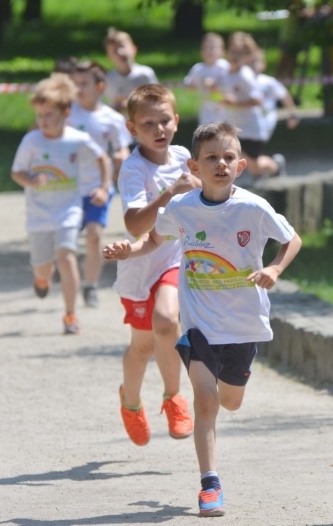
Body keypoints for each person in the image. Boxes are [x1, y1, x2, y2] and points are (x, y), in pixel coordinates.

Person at [104, 121, 302, 516]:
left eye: (228, 157)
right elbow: (155, 240)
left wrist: (275, 271)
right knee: (206, 399)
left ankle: (225, 401)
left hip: (243, 324)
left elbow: (291, 239)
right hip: (199, 325)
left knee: (230, 401)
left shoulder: (252, 206)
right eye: (211, 158)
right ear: (194, 166)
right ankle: (210, 483)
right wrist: (130, 252)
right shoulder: (181, 208)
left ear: (241, 165)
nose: (221, 164)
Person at [111, 83, 199, 447]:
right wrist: (169, 193)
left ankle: (174, 398)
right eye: (148, 124)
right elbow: (134, 226)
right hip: (141, 263)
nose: (158, 129)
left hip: (176, 258)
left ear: (176, 121)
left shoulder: (183, 156)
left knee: (166, 321)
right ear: (132, 129)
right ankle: (130, 403)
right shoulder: (133, 170)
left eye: (164, 121)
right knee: (142, 347)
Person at [11, 73, 111, 334]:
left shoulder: (77, 139)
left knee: (67, 258)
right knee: (43, 268)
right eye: (40, 115)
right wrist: (30, 180)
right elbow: (16, 172)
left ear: (66, 112)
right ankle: (41, 278)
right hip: (38, 215)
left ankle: (70, 315)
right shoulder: (31, 141)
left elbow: (102, 158)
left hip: (68, 209)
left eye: (49, 115)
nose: (43, 121)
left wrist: (103, 187)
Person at [67, 60, 132, 307]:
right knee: (64, 238)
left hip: (97, 187)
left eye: (84, 84)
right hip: (67, 189)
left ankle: (90, 285)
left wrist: (121, 158)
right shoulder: (65, 113)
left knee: (94, 235)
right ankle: (58, 266)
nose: (78, 88)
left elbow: (122, 148)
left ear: (100, 87)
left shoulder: (112, 119)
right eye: (74, 84)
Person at [217, 32, 285, 181]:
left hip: (250, 128)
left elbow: (257, 100)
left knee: (254, 165)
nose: (234, 56)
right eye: (232, 52)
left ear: (245, 57)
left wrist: (234, 103)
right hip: (234, 126)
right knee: (232, 156)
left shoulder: (245, 75)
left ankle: (276, 166)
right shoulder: (225, 72)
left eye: (239, 53)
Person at [251, 48, 299, 174]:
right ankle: (268, 168)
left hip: (264, 123)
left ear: (263, 64)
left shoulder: (267, 82)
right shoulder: (243, 81)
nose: (251, 66)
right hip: (248, 122)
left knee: (248, 153)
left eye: (255, 62)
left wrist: (293, 115)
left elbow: (284, 95)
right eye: (249, 63)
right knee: (248, 154)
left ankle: (272, 167)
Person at [103, 27, 158, 114]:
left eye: (122, 46)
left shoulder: (145, 74)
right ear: (109, 57)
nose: (120, 52)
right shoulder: (108, 79)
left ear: (133, 49)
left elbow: (156, 100)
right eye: (114, 50)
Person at [183, 32, 230, 126]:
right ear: (201, 52)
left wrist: (213, 86)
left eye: (213, 48)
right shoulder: (198, 68)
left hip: (224, 107)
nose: (209, 51)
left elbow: (230, 85)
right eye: (206, 48)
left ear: (222, 51)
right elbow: (188, 84)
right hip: (206, 107)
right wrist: (192, 86)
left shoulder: (225, 67)